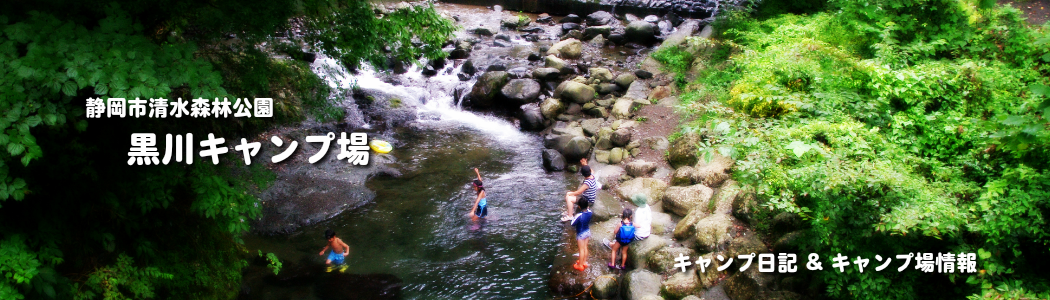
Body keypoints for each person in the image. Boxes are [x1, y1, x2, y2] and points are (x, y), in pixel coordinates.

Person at [570, 198, 593, 271]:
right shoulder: (590, 212)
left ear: (579, 207)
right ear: (587, 206)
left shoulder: (579, 215)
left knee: (581, 250)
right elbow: (588, 209)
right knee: (585, 247)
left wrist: (573, 216)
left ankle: (580, 265)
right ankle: (584, 262)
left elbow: (572, 223)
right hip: (587, 231)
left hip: (580, 233)